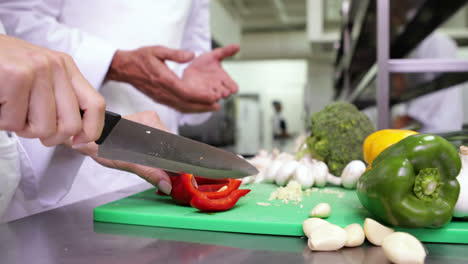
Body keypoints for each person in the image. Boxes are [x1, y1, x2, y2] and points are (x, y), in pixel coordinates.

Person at [0, 0, 239, 222]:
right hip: (71, 170)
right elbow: (15, 21)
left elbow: (189, 53)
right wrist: (112, 62)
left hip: (159, 155)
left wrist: (189, 85)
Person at [391, 32, 464, 133]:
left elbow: (440, 86)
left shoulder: (438, 42)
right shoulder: (412, 47)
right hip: (424, 124)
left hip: (441, 122)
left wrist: (409, 115)